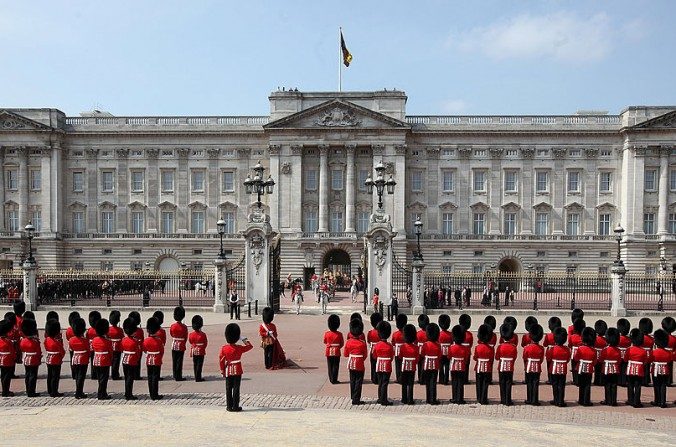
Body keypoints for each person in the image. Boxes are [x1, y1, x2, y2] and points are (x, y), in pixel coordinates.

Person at [219, 323, 253, 412]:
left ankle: (229, 406)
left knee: (228, 388)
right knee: (236, 388)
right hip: (237, 369)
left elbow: (221, 360)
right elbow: (250, 346)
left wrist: (222, 370)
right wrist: (243, 338)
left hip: (228, 370)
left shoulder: (224, 348)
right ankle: (235, 406)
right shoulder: (239, 348)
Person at [343, 318, 368, 405]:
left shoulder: (349, 342)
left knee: (352, 379)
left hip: (351, 362)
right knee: (358, 381)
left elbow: (345, 354)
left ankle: (353, 396)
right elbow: (365, 355)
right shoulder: (362, 343)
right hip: (360, 362)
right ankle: (356, 399)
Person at [626, 328, 649, 408]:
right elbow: (645, 361)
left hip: (630, 369)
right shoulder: (643, 351)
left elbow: (625, 359)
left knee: (630, 385)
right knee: (638, 386)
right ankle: (637, 402)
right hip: (639, 370)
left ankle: (630, 400)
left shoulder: (629, 349)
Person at [495, 323, 517, 406]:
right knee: (508, 383)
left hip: (501, 366)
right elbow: (514, 357)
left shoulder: (500, 347)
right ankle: (508, 400)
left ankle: (503, 399)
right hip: (510, 367)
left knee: (502, 383)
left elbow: (497, 357)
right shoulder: (513, 347)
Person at [522, 324, 545, 406]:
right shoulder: (541, 348)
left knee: (529, 383)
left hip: (528, 366)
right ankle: (535, 400)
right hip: (537, 367)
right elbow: (541, 359)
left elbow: (524, 357)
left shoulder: (527, 347)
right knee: (535, 383)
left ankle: (529, 399)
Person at [373, 321, 394, 406]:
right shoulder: (389, 346)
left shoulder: (377, 345)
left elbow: (374, 356)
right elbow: (391, 357)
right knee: (385, 383)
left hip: (379, 364)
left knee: (380, 382)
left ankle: (380, 398)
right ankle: (384, 400)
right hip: (387, 365)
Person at [574, 327, 597, 407]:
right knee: (587, 385)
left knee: (581, 385)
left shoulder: (580, 348)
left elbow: (576, 358)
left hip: (580, 368)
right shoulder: (594, 350)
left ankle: (581, 400)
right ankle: (586, 401)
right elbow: (594, 362)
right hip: (589, 369)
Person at [599, 327, 622, 406]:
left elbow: (601, 360)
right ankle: (613, 401)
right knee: (614, 385)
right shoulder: (618, 350)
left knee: (607, 385)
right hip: (615, 369)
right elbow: (619, 361)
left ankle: (608, 400)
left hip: (606, 369)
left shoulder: (605, 350)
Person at [549, 327, 571, 407]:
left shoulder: (552, 349)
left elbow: (549, 358)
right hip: (563, 369)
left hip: (554, 369)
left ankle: (555, 400)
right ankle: (561, 401)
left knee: (555, 385)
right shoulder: (567, 349)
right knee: (561, 385)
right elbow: (568, 359)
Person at [143, 317, 164, 400]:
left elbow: (144, 350)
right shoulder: (159, 340)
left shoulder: (146, 340)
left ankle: (151, 393)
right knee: (155, 377)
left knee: (150, 377)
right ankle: (155, 394)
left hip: (149, 359)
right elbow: (161, 351)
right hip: (157, 359)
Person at [69, 318, 90, 399]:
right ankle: (79, 392)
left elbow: (71, 349)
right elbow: (88, 350)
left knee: (78, 376)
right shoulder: (85, 340)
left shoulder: (71, 340)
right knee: (81, 376)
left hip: (75, 359)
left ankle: (78, 391)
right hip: (83, 359)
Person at [92, 318, 113, 400]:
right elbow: (110, 352)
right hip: (104, 360)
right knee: (104, 379)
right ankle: (101, 394)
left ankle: (102, 393)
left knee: (100, 378)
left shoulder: (94, 340)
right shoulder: (107, 341)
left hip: (96, 360)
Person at [421, 322, 441, 405]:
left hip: (426, 364)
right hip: (435, 364)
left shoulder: (425, 344)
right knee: (433, 382)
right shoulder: (438, 345)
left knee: (428, 382)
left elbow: (422, 354)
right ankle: (433, 399)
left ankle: (428, 398)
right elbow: (439, 355)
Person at [121, 317, 141, 400]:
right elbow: (138, 352)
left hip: (125, 359)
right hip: (132, 361)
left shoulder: (123, 340)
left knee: (126, 377)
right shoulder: (135, 341)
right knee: (130, 378)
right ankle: (129, 394)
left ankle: (127, 393)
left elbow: (121, 349)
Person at [44, 319, 65, 397]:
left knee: (49, 375)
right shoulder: (56, 342)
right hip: (56, 360)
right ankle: (54, 391)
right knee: (55, 376)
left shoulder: (47, 340)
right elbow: (62, 351)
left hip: (49, 358)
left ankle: (49, 390)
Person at [473, 324, 493, 405]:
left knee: (478, 383)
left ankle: (478, 397)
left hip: (478, 367)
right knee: (485, 383)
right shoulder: (490, 348)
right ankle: (483, 399)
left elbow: (475, 358)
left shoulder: (477, 347)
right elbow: (491, 359)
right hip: (487, 367)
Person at [398, 324, 418, 405]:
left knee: (404, 383)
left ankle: (404, 398)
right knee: (410, 383)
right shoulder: (416, 347)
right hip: (412, 366)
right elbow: (417, 359)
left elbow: (400, 356)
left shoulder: (402, 347)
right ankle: (410, 399)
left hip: (404, 366)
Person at [449, 324, 469, 404]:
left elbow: (449, 356)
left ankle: (454, 398)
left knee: (454, 382)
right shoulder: (465, 348)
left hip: (453, 366)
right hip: (462, 366)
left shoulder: (451, 347)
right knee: (460, 383)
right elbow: (466, 358)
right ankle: (460, 398)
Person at [651, 329, 671, 408]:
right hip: (665, 369)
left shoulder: (654, 352)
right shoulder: (668, 353)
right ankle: (663, 402)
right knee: (663, 385)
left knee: (656, 385)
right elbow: (669, 360)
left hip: (656, 369)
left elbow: (650, 359)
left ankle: (657, 400)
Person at [323, 314, 344, 384]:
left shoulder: (327, 333)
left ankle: (331, 378)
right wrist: (337, 347)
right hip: (337, 350)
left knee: (330, 365)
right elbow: (342, 343)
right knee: (336, 365)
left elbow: (325, 341)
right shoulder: (339, 334)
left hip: (329, 350)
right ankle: (334, 379)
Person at [170, 306, 188, 381]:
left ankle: (174, 374)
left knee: (174, 360)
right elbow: (185, 336)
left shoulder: (172, 326)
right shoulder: (184, 327)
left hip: (174, 344)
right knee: (179, 361)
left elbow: (171, 334)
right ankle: (178, 376)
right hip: (181, 345)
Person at [189, 315, 207, 381]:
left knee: (195, 363)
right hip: (201, 350)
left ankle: (196, 376)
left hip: (194, 350)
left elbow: (190, 341)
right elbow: (205, 343)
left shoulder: (191, 334)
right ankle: (198, 377)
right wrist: (203, 348)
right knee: (199, 364)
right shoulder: (203, 334)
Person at [367, 312, 383, 384]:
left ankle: (373, 378)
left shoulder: (370, 332)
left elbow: (368, 341)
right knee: (379, 364)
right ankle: (378, 378)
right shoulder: (381, 332)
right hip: (380, 349)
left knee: (373, 364)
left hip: (373, 349)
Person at [568, 318, 586, 386]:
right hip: (582, 352)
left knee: (574, 366)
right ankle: (581, 380)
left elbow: (570, 344)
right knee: (581, 366)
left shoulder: (572, 337)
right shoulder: (583, 336)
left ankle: (575, 380)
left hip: (574, 352)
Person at [391, 314, 407, 384]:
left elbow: (393, 342)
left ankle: (398, 378)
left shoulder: (395, 334)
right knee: (404, 364)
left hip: (398, 351)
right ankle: (404, 378)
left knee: (398, 365)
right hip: (405, 350)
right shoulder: (406, 333)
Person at [639, 318, 654, 386]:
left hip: (641, 353)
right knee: (647, 367)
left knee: (642, 367)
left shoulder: (641, 337)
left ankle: (642, 380)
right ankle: (646, 380)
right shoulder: (651, 339)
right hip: (649, 353)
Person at [108, 310, 123, 381]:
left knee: (111, 360)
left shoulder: (108, 329)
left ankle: (112, 373)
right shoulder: (119, 330)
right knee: (116, 362)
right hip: (117, 347)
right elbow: (122, 338)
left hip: (110, 347)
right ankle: (115, 374)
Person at [86, 311, 102, 380]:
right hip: (97, 347)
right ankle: (97, 374)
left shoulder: (89, 330)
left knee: (93, 360)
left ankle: (93, 374)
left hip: (91, 347)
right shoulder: (98, 330)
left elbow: (87, 338)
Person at [438, 314, 452, 385]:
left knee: (440, 366)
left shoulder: (439, 334)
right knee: (447, 365)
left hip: (440, 351)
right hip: (448, 351)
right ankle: (446, 379)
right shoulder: (450, 334)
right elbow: (452, 342)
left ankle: (441, 379)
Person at [129, 311, 144, 380]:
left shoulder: (129, 330)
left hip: (131, 348)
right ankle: (137, 375)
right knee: (138, 362)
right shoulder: (140, 331)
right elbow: (142, 340)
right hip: (138, 348)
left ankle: (131, 374)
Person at [617, 318, 632, 387]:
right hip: (626, 354)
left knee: (619, 368)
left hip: (619, 354)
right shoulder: (628, 339)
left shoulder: (619, 338)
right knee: (624, 368)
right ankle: (624, 381)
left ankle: (619, 380)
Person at [661, 316, 675, 386]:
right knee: (670, 368)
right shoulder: (673, 338)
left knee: (663, 368)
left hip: (663, 354)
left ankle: (664, 380)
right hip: (671, 354)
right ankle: (669, 381)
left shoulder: (662, 337)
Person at [593, 320, 608, 386]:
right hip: (603, 355)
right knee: (602, 369)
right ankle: (602, 381)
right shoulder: (606, 340)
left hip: (596, 355)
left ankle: (596, 381)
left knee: (597, 369)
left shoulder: (595, 339)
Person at [459, 314, 473, 385]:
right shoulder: (469, 334)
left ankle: (460, 379)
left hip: (460, 350)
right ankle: (465, 379)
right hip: (467, 351)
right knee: (466, 366)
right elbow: (471, 344)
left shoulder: (460, 333)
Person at [416, 314, 429, 385]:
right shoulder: (428, 333)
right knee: (425, 365)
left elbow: (415, 342)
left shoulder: (418, 333)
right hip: (426, 349)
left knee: (420, 365)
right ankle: (424, 379)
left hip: (419, 349)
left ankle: (420, 378)